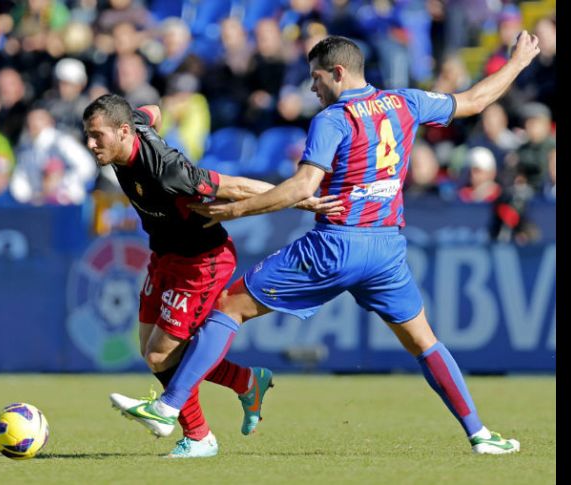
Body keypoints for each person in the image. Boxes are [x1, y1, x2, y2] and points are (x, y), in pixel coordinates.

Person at [110, 32, 541, 455]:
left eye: (316, 79)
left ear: (338, 73)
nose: (312, 89)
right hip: (386, 250)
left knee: (228, 307)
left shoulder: (333, 119)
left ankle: (168, 407)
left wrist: (238, 210)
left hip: (335, 246)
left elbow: (303, 186)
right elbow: (475, 100)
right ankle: (480, 434)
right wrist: (519, 63)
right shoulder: (406, 101)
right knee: (424, 342)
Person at [82, 94, 341, 458]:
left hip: (202, 261)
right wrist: (158, 112)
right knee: (151, 350)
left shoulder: (167, 169)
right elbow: (152, 111)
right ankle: (247, 382)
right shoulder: (131, 126)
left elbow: (234, 185)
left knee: (160, 357)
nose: (91, 144)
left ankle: (200, 437)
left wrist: (298, 197)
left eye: (97, 136)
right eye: (88, 136)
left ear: (124, 131)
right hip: (165, 254)